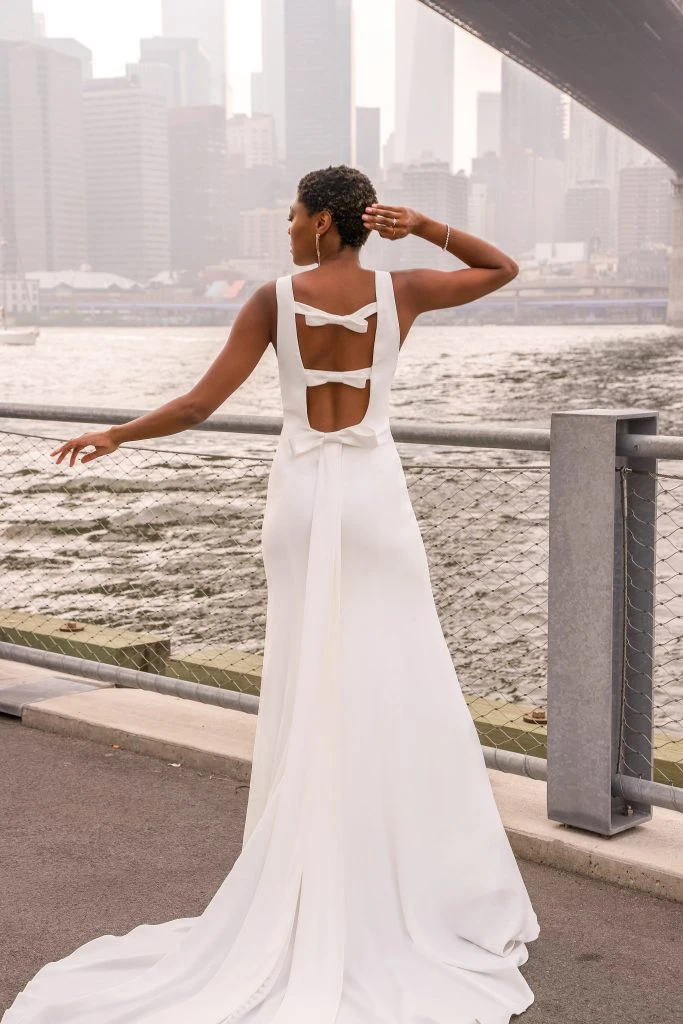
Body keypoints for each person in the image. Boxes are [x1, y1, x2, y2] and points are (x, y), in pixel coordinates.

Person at [5, 165, 539, 1024]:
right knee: (399, 676)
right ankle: (406, 881)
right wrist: (426, 226)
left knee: (307, 681)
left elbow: (193, 407)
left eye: (293, 216)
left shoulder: (272, 300)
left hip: (299, 500)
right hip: (372, 500)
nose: (285, 228)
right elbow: (502, 269)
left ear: (326, 222)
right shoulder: (400, 292)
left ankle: (310, 870)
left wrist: (114, 434)